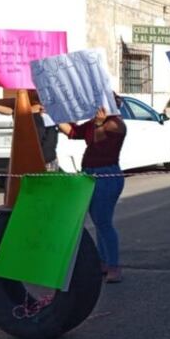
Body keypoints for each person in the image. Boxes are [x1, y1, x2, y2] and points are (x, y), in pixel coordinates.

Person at [58, 99, 127, 283]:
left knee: (103, 222)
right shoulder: (93, 123)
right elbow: (73, 132)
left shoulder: (116, 124)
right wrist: (55, 115)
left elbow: (99, 144)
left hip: (106, 175)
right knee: (98, 221)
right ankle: (103, 262)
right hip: (89, 174)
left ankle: (113, 266)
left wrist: (97, 124)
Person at [0, 65, 59, 171]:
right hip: (26, 162)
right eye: (32, 88)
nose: (36, 91)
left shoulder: (55, 104)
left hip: (49, 163)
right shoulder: (19, 104)